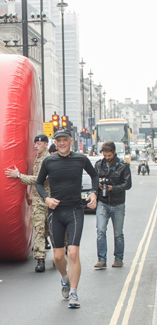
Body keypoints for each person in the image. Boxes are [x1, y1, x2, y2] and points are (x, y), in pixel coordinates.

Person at [35, 129, 99, 308]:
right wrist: (46, 199)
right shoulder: (49, 161)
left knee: (73, 253)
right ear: (54, 143)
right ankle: (65, 279)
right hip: (55, 212)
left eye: (65, 140)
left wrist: (94, 193)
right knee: (57, 256)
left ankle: (74, 293)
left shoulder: (81, 159)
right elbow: (39, 183)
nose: (62, 143)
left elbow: (94, 175)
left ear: (71, 141)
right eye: (58, 141)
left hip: (74, 210)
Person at [6, 134, 51, 272]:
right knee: (38, 228)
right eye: (35, 144)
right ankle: (40, 259)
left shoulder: (49, 160)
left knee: (51, 230)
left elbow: (40, 179)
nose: (36, 146)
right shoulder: (37, 159)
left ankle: (59, 255)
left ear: (45, 144)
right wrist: (30, 192)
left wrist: (19, 176)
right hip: (38, 199)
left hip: (49, 199)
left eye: (39, 143)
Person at [94, 140, 133, 269]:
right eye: (105, 155)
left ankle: (118, 258)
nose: (107, 158)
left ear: (114, 152)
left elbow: (128, 184)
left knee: (118, 233)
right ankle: (101, 259)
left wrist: (113, 188)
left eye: (109, 155)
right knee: (100, 231)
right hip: (103, 202)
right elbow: (94, 180)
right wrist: (98, 186)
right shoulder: (99, 165)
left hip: (118, 203)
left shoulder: (123, 165)